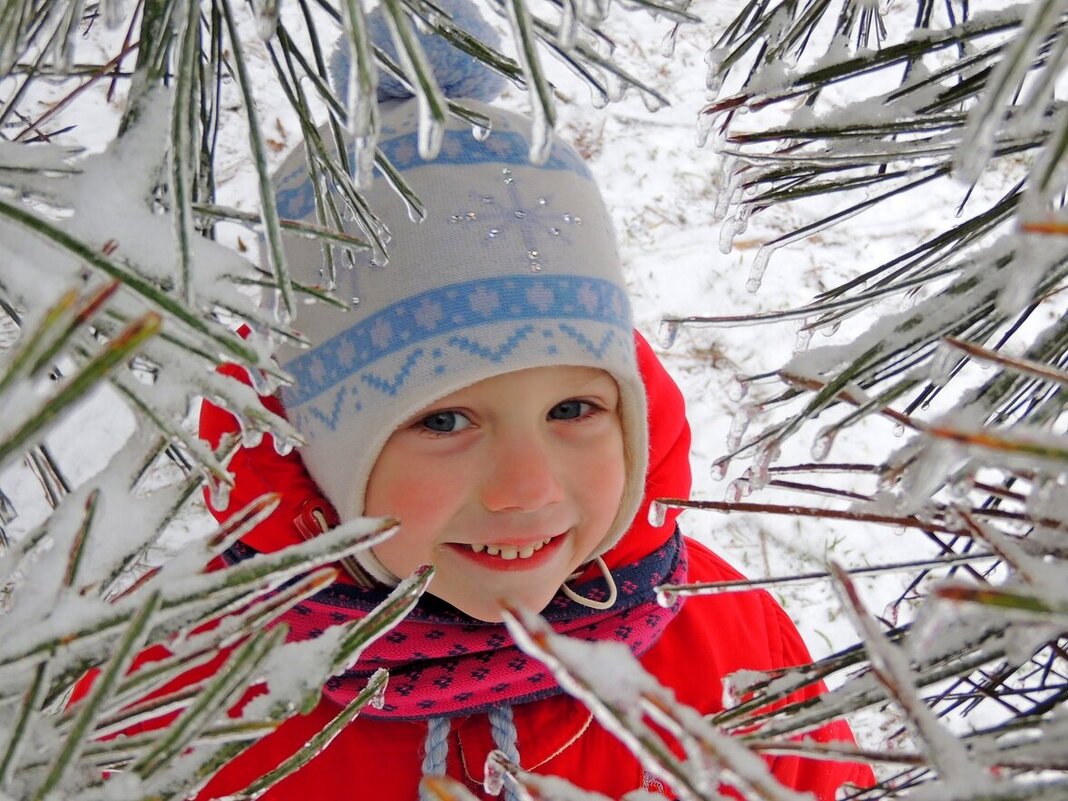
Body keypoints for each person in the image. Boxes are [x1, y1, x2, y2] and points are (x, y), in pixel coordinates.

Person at [104, 4, 876, 798]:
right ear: (314, 441)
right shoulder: (175, 690)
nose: (529, 488)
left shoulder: (724, 643)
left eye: (573, 409)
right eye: (443, 420)